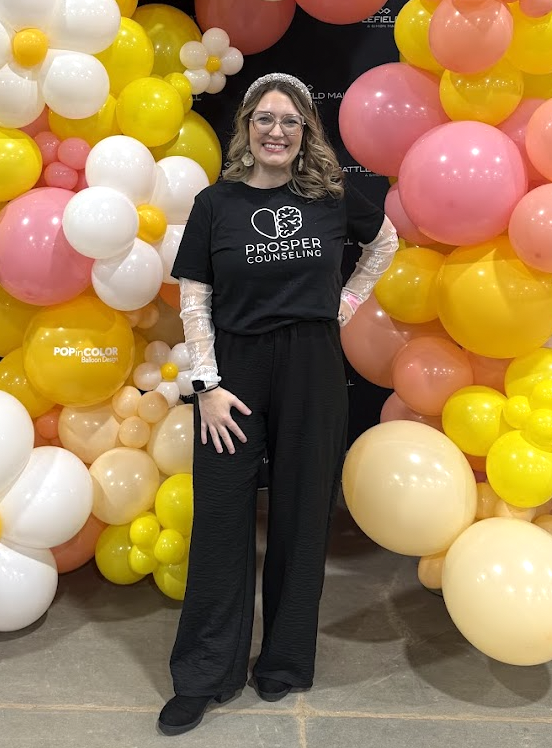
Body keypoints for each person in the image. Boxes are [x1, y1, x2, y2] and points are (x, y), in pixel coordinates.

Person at [157, 72, 399, 736]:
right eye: (264, 118)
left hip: (311, 368)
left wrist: (343, 306)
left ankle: (285, 663)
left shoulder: (330, 197)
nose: (276, 131)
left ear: (305, 132)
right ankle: (204, 675)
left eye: (290, 121)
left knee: (302, 514)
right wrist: (207, 386)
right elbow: (194, 298)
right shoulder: (216, 204)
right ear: (246, 127)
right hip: (233, 373)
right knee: (221, 521)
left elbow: (384, 243)